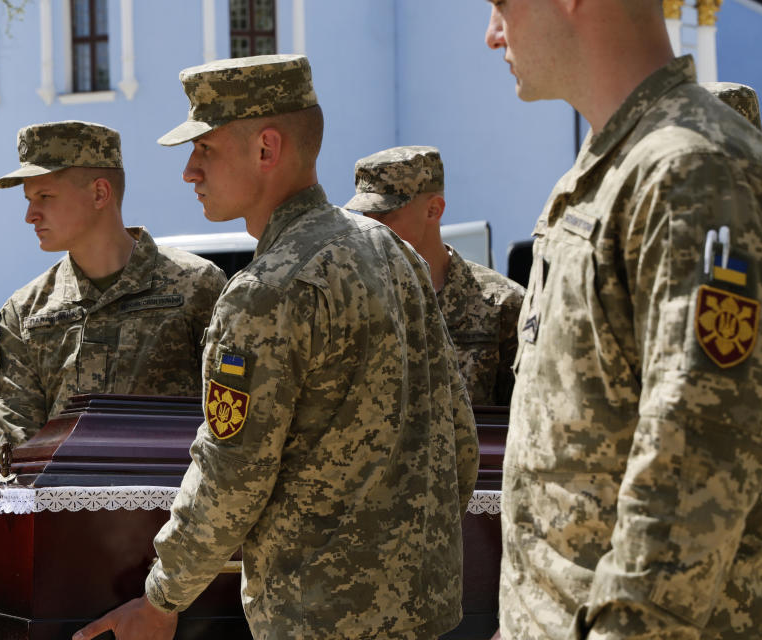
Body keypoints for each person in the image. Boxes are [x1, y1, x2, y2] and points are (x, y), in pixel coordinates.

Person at [73, 55, 479, 640]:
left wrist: (162, 599)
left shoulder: (268, 290)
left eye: (204, 149)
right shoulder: (396, 254)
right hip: (424, 608)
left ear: (266, 149)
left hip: (319, 617)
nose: (189, 171)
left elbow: (231, 478)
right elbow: (457, 436)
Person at [484, 1, 762, 638]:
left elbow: (691, 483)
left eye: (501, 5)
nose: (493, 33)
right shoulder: (604, 174)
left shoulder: (691, 170)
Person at [0, 120, 227, 459]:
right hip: (63, 506)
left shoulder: (196, 285)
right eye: (28, 199)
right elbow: (17, 444)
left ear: (100, 193)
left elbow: (229, 420)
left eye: (45, 196)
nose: (30, 215)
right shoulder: (25, 312)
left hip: (176, 504)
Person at [345, 145, 524, 406]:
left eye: (385, 216)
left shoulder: (502, 305)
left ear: (433, 210)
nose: (372, 229)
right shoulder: (352, 300)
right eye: (366, 217)